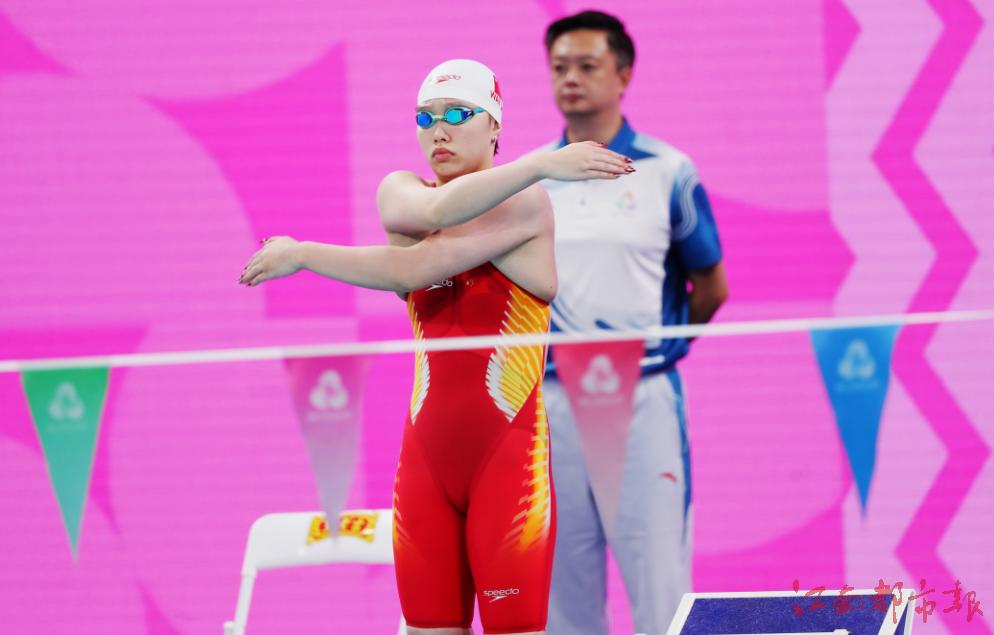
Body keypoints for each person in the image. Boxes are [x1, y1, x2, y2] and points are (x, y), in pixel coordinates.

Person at [239, 58, 632, 635]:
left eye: (457, 114)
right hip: (424, 463)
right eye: (425, 118)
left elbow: (418, 264)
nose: (438, 130)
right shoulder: (402, 191)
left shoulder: (525, 203)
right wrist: (545, 162)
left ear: (495, 127)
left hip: (509, 463)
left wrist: (303, 254)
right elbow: (427, 222)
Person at [533, 12, 729, 635]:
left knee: (660, 584)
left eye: (587, 66)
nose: (570, 79)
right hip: (552, 403)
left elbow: (711, 287)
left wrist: (657, 355)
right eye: (559, 67)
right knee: (561, 591)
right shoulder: (530, 179)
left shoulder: (669, 171)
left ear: (623, 75)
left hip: (644, 400)